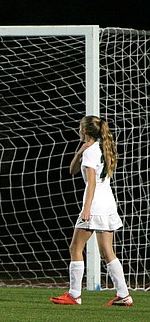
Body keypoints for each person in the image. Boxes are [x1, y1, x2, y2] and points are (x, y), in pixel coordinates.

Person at [51, 116, 132, 306]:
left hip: (94, 206)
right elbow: (72, 170)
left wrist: (86, 209)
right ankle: (123, 294)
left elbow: (92, 183)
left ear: (85, 131)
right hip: (108, 205)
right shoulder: (99, 149)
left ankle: (74, 294)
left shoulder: (91, 152)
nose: (78, 131)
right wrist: (79, 153)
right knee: (107, 251)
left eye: (80, 128)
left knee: (75, 248)